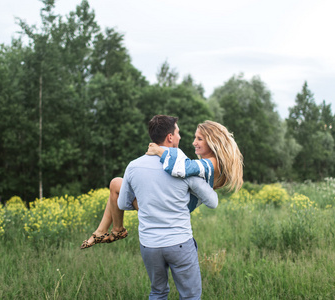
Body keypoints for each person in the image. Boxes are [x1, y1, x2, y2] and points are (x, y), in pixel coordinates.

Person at [80, 119, 243, 249]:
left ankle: (116, 230)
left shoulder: (211, 164)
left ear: (212, 141)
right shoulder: (209, 163)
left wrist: (159, 150)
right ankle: (104, 231)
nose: (193, 142)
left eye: (199, 139)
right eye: (195, 137)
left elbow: (181, 168)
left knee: (116, 184)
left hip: (171, 207)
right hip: (173, 207)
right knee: (116, 186)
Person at [117, 115, 218, 299]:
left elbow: (122, 203)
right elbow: (212, 202)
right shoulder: (184, 168)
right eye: (178, 133)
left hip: (150, 245)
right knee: (190, 296)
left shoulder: (133, 167)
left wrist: (150, 207)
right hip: (179, 243)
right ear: (170, 137)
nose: (180, 137)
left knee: (157, 292)